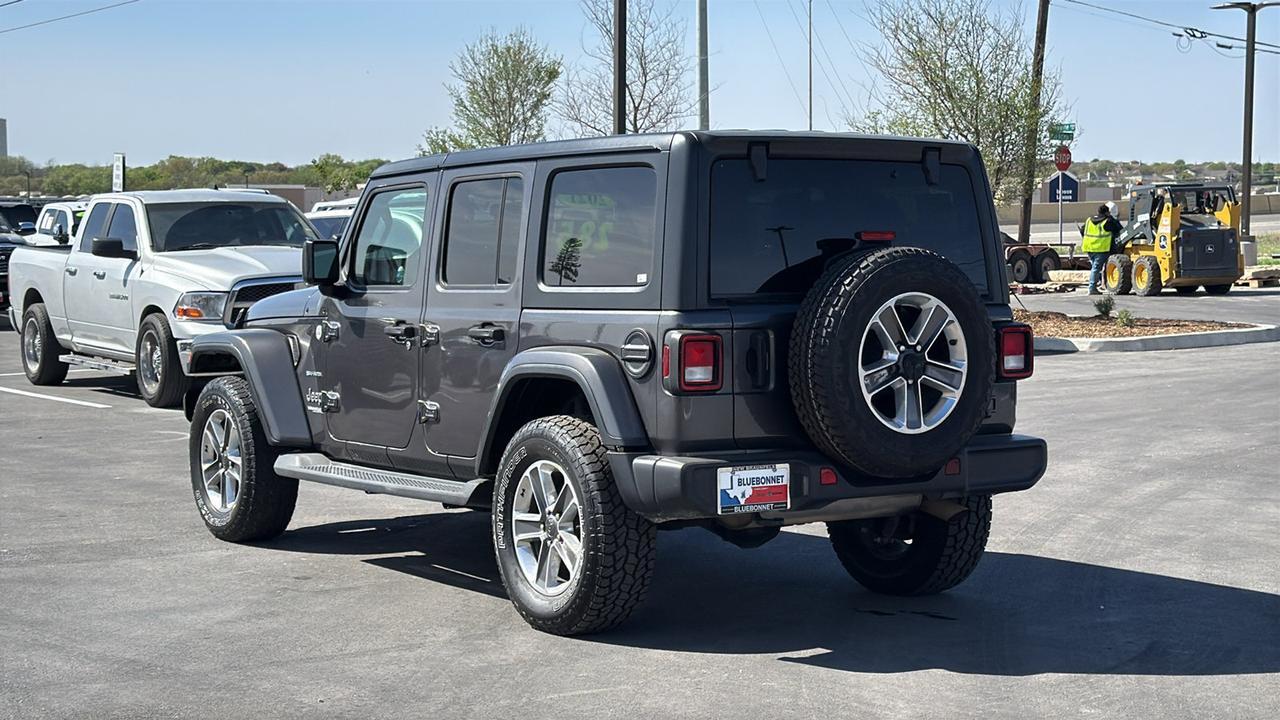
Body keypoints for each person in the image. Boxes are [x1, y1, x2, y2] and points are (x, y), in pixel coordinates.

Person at [1080, 202, 1123, 295]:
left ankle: (1099, 284)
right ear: (1107, 212)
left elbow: (1082, 231)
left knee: (1095, 268)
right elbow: (1119, 230)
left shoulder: (1089, 220)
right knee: (1096, 268)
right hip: (1101, 249)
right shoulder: (1107, 221)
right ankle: (1092, 288)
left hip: (1089, 248)